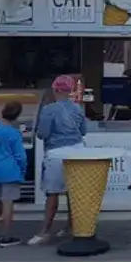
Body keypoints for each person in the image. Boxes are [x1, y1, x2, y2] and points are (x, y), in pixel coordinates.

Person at [31, 75, 87, 245]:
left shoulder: (49, 109)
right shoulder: (78, 108)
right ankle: (72, 226)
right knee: (72, 192)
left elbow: (42, 134)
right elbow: (83, 131)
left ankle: (45, 231)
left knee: (52, 193)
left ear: (55, 90)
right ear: (70, 91)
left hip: (56, 153)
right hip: (77, 152)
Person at [0, 100, 28, 247]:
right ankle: (6, 237)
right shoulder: (13, 133)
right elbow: (21, 156)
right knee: (8, 203)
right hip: (10, 171)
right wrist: (22, 170)